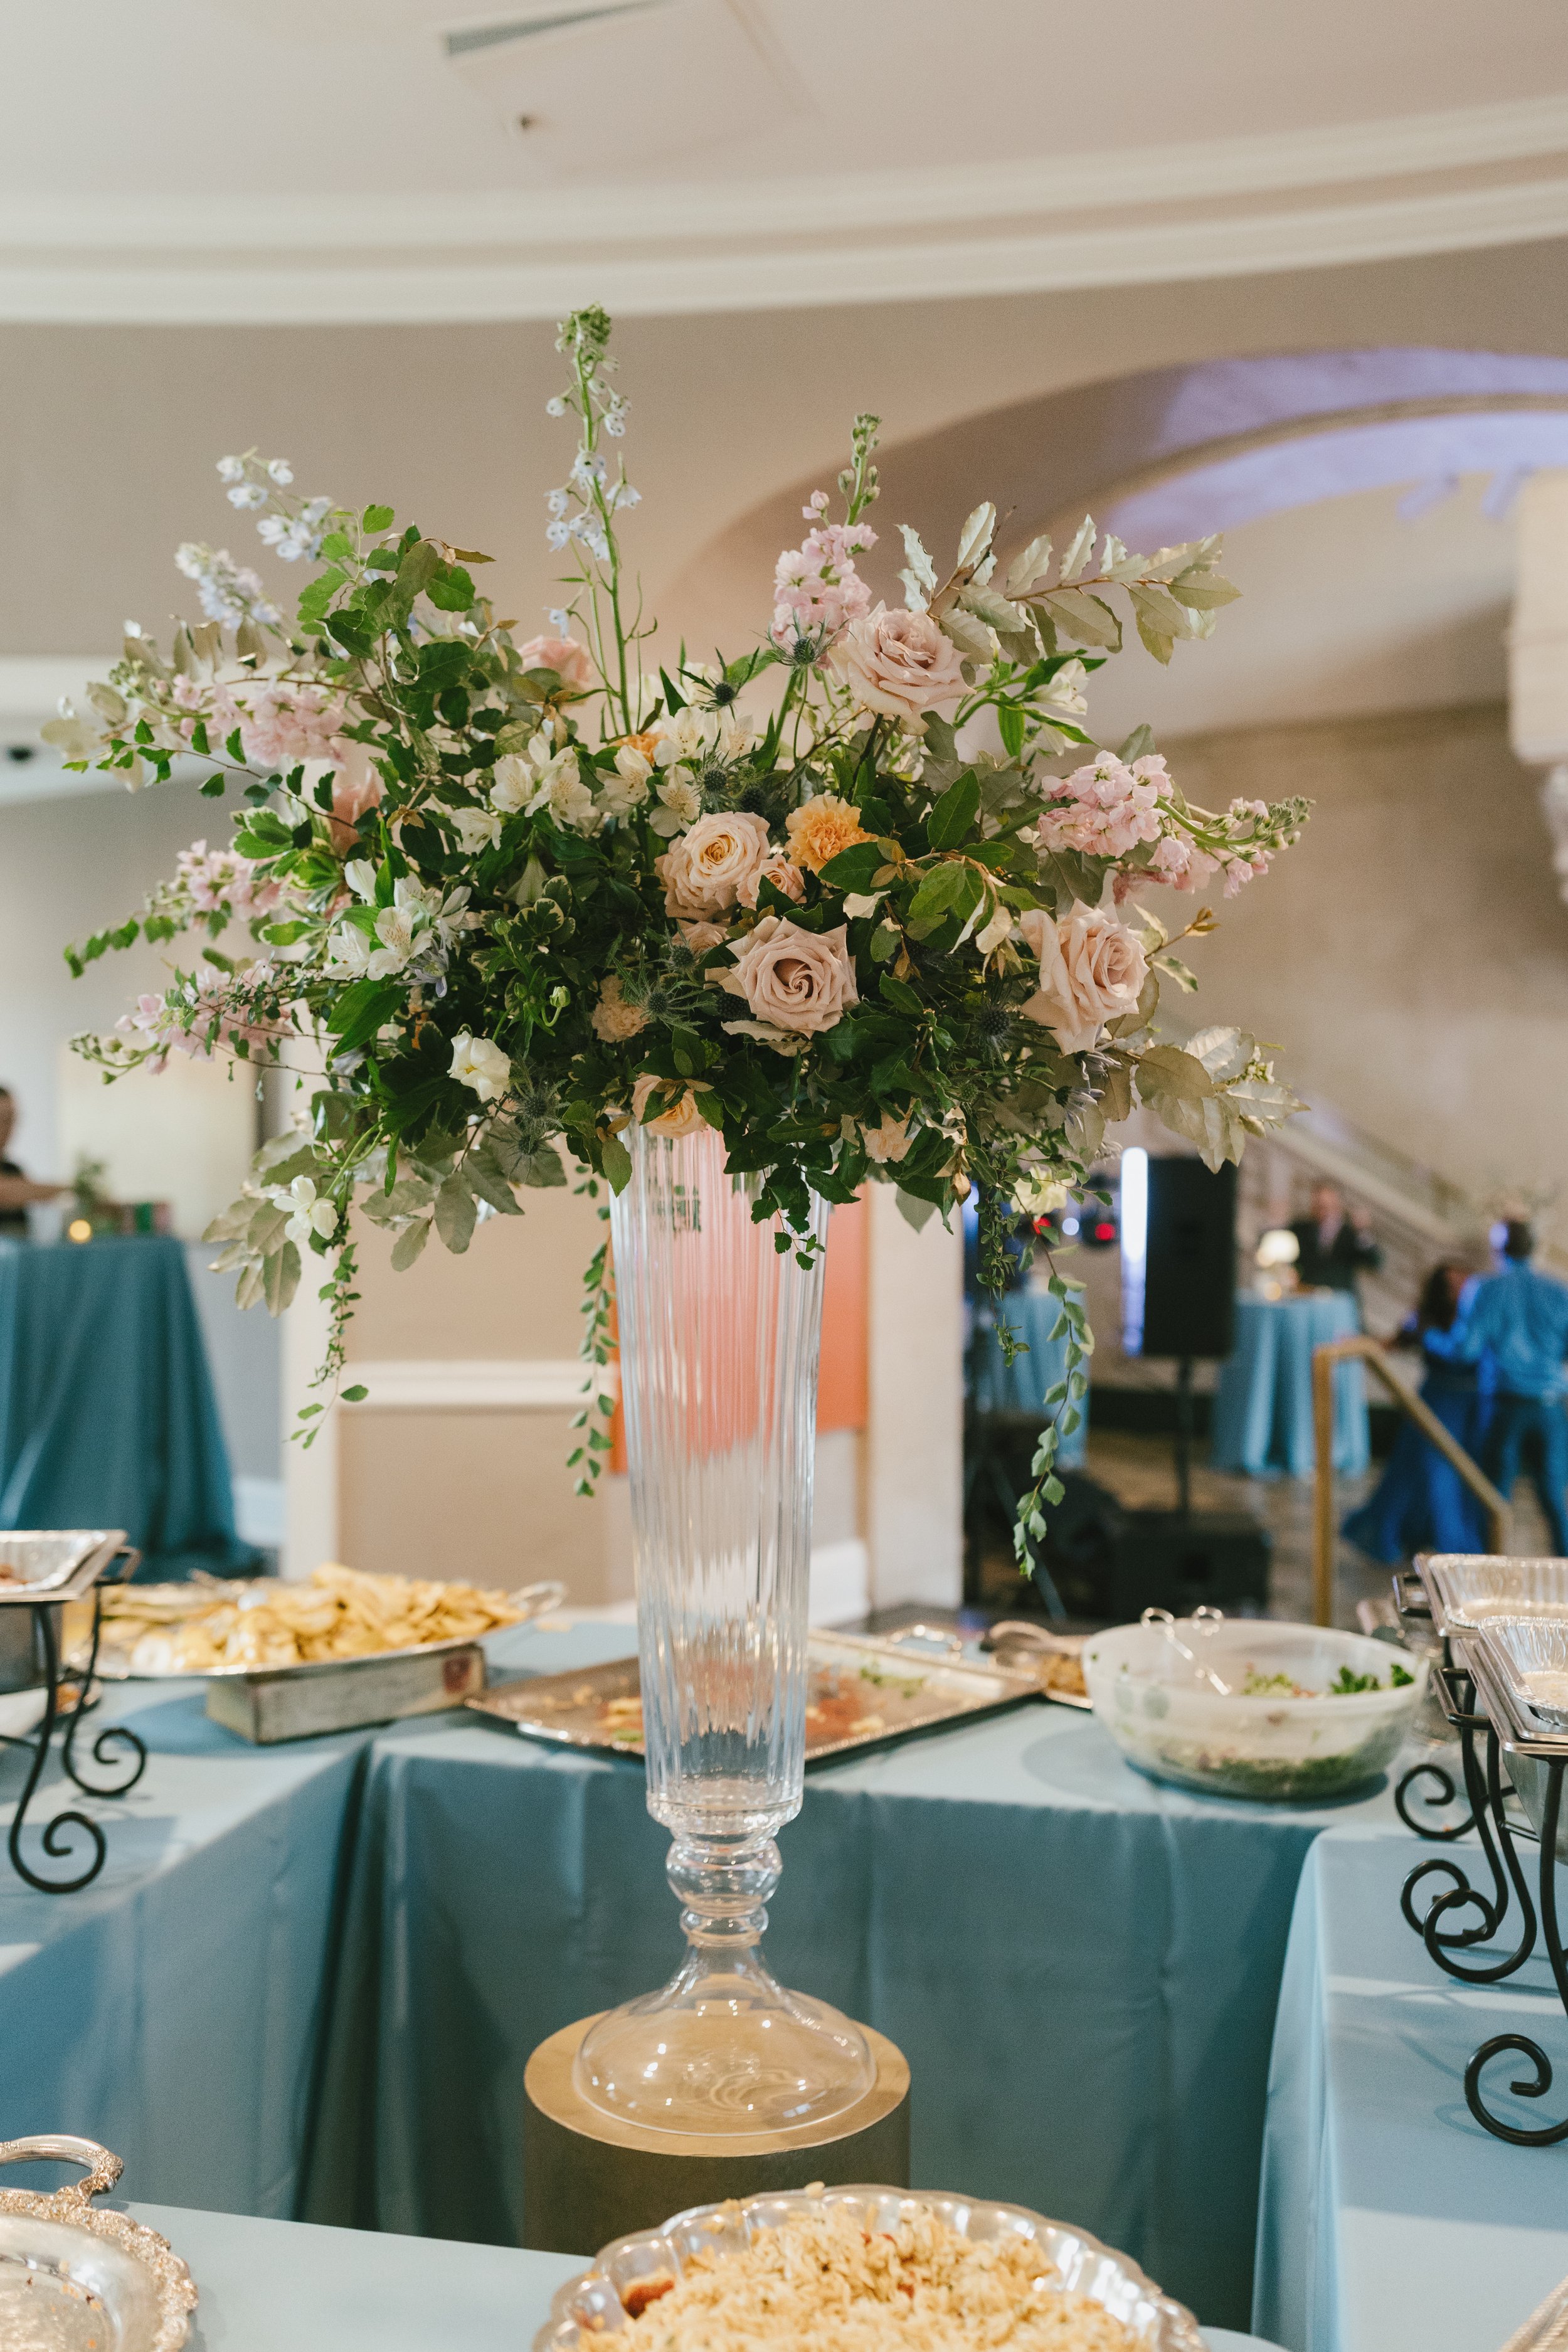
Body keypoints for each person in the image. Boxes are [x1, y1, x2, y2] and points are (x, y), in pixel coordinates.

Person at [1342, 1260, 1493, 1563]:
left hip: (1471, 1408)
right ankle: (1427, 1539)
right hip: (1436, 1403)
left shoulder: (1480, 1316)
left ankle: (1454, 1541)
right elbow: (1394, 1343)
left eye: (1461, 1282)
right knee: (1426, 1473)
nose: (1457, 1289)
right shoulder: (1424, 1318)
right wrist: (1357, 1343)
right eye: (1449, 1284)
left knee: (1466, 1476)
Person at [1461, 1221, 1568, 1554]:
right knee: (1553, 1496)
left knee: (1495, 1499)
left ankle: (1490, 1581)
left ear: (1499, 1250)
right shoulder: (1559, 1290)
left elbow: (1468, 1349)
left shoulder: (1486, 1288)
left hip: (1503, 1405)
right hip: (1550, 1405)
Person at [1290, 1182, 1382, 1301]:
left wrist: (1362, 1233)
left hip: (1340, 1303)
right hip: (1306, 1300)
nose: (1321, 1209)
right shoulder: (1300, 1228)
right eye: (1318, 1204)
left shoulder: (1352, 1233)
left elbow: (1375, 1262)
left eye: (1326, 1205)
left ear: (1337, 1203)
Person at [0, 1088, 65, 1238]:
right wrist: (70, 1188)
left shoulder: (13, 1170)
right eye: (3, 1119)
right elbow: (6, 1193)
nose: (9, 1128)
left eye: (12, 1120)